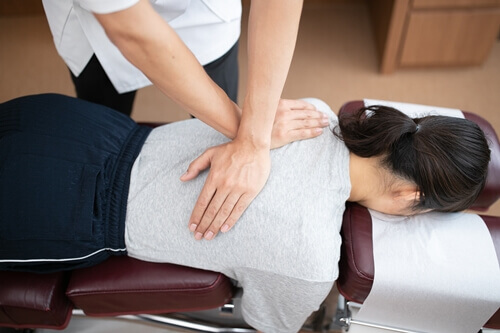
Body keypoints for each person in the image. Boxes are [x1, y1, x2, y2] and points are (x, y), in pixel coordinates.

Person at [0, 94, 490, 333]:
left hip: (78, 123)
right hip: (58, 204)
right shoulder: (310, 260)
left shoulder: (313, 114)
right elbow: (264, 320)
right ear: (410, 197)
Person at [41, 0, 312, 241]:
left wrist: (254, 132)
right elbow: (131, 31)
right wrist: (250, 134)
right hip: (98, 29)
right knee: (101, 135)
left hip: (206, 13)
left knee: (220, 134)